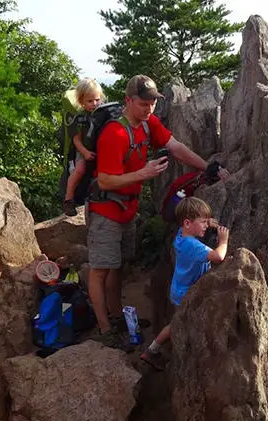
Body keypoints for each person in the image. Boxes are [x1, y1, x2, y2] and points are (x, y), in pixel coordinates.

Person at [89, 74, 229, 349]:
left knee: (118, 265)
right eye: (143, 103)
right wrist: (143, 173)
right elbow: (104, 179)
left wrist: (206, 168)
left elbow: (176, 147)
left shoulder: (147, 123)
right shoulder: (114, 133)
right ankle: (105, 328)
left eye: (153, 103)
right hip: (105, 209)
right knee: (100, 269)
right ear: (129, 101)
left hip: (127, 208)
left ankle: (118, 317)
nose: (149, 109)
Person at [140, 196, 229, 370]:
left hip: (179, 289)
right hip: (187, 293)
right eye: (203, 222)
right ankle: (153, 351)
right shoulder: (192, 246)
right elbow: (218, 256)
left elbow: (193, 228)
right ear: (188, 223)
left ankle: (153, 349)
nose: (206, 225)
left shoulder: (181, 236)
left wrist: (206, 222)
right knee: (180, 323)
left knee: (177, 321)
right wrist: (223, 241)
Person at [62, 78, 104, 217]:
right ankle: (68, 198)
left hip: (99, 150)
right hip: (83, 149)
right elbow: (76, 140)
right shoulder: (80, 118)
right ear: (81, 102)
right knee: (80, 170)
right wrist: (85, 153)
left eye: (97, 100)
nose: (95, 104)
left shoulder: (103, 114)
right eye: (90, 101)